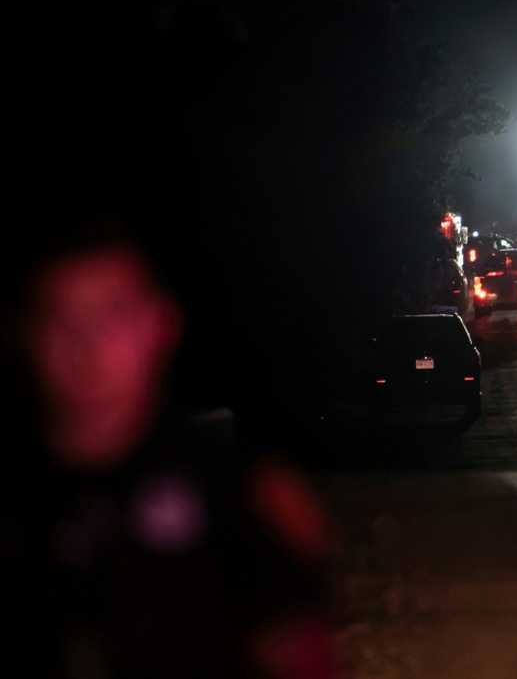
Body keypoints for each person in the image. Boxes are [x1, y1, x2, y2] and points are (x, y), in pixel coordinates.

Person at [5, 221, 335, 679]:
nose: (88, 348)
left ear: (160, 324)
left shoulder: (246, 494)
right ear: (25, 336)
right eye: (63, 320)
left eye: (112, 316)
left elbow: (303, 655)